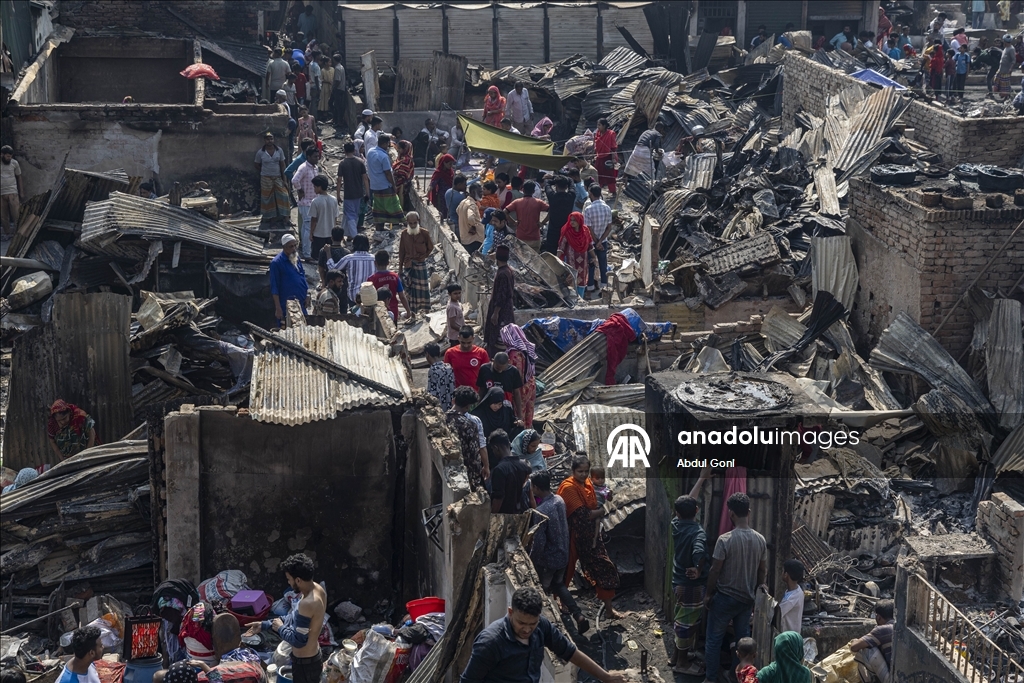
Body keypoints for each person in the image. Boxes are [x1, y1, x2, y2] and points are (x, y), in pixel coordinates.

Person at [460, 587, 625, 683]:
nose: (526, 630)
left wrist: (606, 676)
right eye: (521, 623)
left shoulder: (542, 627)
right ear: (510, 613)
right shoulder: (490, 643)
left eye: (532, 624)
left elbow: (569, 652)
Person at [702, 492, 768, 683]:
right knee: (743, 642)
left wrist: (708, 594)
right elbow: (762, 571)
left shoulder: (725, 540)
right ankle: (736, 676)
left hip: (724, 598)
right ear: (748, 512)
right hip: (746, 600)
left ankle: (711, 679)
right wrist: (757, 592)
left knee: (714, 639)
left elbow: (715, 570)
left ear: (730, 513)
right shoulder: (760, 540)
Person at [557, 456, 621, 618]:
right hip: (574, 536)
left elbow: (598, 502)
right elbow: (582, 514)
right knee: (566, 570)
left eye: (586, 471)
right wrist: (600, 512)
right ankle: (561, 601)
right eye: (580, 471)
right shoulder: (568, 488)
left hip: (592, 536)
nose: (583, 474)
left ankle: (609, 610)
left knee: (603, 566)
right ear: (572, 471)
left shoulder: (588, 485)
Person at [245, 554, 326, 683]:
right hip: (312, 657)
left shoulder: (308, 603)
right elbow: (294, 617)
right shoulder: (318, 589)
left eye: (289, 579)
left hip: (305, 665)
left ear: (298, 580)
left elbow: (299, 641)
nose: (288, 582)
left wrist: (279, 628)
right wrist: (265, 624)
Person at [528, 472, 588, 632]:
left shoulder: (540, 511)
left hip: (548, 560)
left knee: (541, 590)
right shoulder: (559, 500)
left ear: (535, 487)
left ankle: (547, 626)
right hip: (563, 553)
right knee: (559, 585)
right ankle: (578, 615)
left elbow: (539, 542)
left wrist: (531, 561)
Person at [670, 495, 708, 676]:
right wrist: (699, 569)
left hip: (678, 582)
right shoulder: (698, 532)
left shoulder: (675, 526)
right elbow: (699, 551)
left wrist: (701, 478)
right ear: (697, 511)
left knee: (681, 619)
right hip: (691, 586)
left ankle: (676, 656)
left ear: (677, 513)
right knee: (686, 624)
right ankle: (682, 664)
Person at [447, 385, 490, 488]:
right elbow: (474, 454)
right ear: (468, 406)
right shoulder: (469, 425)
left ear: (454, 401)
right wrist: (477, 478)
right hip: (464, 474)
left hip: (447, 468)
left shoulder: (442, 419)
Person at [499, 323, 537, 428]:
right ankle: (529, 435)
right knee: (529, 413)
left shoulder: (513, 354)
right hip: (531, 384)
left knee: (519, 414)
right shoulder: (526, 348)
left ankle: (521, 437)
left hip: (520, 389)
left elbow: (516, 375)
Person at [397, 211, 434, 316]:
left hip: (420, 264)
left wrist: (424, 256)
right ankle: (412, 313)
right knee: (410, 290)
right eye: (410, 223)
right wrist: (400, 268)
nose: (413, 225)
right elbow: (402, 252)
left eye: (414, 223)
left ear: (418, 221)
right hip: (408, 265)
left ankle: (426, 311)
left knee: (424, 289)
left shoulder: (424, 233)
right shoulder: (404, 234)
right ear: (407, 223)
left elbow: (430, 247)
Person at [848, 600, 894, 683]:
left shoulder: (881, 630)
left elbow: (854, 647)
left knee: (865, 648)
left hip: (893, 679)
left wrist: (855, 641)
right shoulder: (900, 627)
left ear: (878, 617)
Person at [486, 429, 530, 513]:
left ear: (496, 448)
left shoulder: (499, 470)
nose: (493, 452)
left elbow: (498, 498)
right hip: (520, 514)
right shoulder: (524, 465)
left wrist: (491, 516)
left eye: (493, 449)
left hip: (505, 517)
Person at [366, 134, 404, 230]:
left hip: (374, 185)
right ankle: (396, 225)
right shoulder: (383, 156)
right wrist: (394, 185)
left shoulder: (370, 152)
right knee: (393, 203)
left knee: (378, 207)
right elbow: (388, 173)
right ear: (385, 143)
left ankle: (379, 226)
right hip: (385, 185)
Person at [270, 234, 309, 326]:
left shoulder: (296, 257)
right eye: (291, 246)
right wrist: (278, 308)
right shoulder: (276, 263)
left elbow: (302, 275)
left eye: (295, 245)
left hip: (301, 303)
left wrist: (307, 294)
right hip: (286, 306)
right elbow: (274, 287)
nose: (294, 248)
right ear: (284, 247)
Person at [556, 211, 597, 297]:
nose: (572, 222)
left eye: (574, 220)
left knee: (581, 282)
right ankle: (572, 301)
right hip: (571, 263)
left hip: (583, 263)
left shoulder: (585, 231)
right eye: (571, 220)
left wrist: (594, 257)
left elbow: (590, 246)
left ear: (580, 221)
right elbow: (561, 247)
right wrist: (555, 260)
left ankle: (581, 299)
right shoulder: (567, 232)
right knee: (571, 280)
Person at [484, 246, 515, 354]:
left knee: (498, 335)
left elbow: (502, 295)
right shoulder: (508, 270)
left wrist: (496, 313)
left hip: (502, 311)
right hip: (506, 308)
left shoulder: (502, 274)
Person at [332, 234, 374, 311]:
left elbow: (333, 269)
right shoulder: (374, 259)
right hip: (370, 295)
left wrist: (328, 256)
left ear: (354, 244)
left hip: (353, 295)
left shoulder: (349, 258)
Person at [255, 132, 290, 225]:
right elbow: (257, 165)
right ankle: (271, 219)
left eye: (271, 139)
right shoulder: (260, 152)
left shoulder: (279, 151)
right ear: (264, 140)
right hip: (265, 178)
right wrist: (266, 171)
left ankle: (286, 218)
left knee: (284, 195)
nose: (269, 141)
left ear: (274, 140)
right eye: (267, 139)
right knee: (268, 198)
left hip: (278, 177)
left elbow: (283, 165)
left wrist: (285, 180)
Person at [292, 146, 320, 259]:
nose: (317, 158)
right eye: (315, 157)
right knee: (308, 227)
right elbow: (294, 180)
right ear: (308, 157)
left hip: (313, 201)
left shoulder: (315, 168)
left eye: (318, 156)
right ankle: (307, 254)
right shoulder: (303, 167)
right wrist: (299, 190)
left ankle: (305, 250)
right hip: (306, 202)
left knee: (306, 227)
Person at [476, 352, 523, 418]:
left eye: (503, 369)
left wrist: (520, 415)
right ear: (493, 361)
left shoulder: (513, 372)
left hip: (505, 409)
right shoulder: (484, 369)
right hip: (487, 409)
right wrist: (477, 408)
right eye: (497, 368)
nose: (500, 371)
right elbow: (481, 390)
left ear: (509, 362)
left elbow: (517, 393)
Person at [335, 142, 367, 240]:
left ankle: (354, 236)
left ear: (344, 151)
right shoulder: (360, 162)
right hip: (359, 193)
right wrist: (367, 193)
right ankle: (348, 235)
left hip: (348, 194)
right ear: (354, 150)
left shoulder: (343, 163)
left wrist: (338, 195)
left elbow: (339, 180)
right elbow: (365, 179)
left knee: (350, 215)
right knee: (353, 214)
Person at [368, 250, 410, 321]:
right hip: (393, 312)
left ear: (375, 263)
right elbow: (402, 296)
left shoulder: (371, 279)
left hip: (378, 313)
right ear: (388, 263)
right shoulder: (395, 277)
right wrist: (408, 311)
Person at [584, 186, 612, 291]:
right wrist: (600, 242)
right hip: (603, 241)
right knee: (603, 264)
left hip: (591, 243)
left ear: (591, 194)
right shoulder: (607, 208)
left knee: (591, 263)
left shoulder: (588, 209)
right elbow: (609, 228)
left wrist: (596, 242)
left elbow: (588, 229)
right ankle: (604, 286)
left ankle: (590, 286)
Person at [505, 181, 547, 252]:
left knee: (521, 260)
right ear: (533, 191)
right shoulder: (539, 202)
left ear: (523, 190)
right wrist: (542, 222)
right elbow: (551, 210)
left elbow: (505, 211)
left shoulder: (517, 202)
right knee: (535, 259)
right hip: (535, 237)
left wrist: (514, 222)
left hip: (520, 236)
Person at [308, 175, 338, 258]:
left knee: (318, 257)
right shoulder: (334, 199)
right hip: (330, 234)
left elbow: (314, 219)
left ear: (319, 187)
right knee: (329, 257)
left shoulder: (315, 201)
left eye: (315, 187)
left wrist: (311, 233)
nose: (314, 189)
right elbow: (335, 217)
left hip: (318, 234)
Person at [0, 145, 23, 237]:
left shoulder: (14, 163)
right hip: (1, 193)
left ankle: (18, 233)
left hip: (13, 192)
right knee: (3, 216)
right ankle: (7, 233)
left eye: (10, 156)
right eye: (7, 156)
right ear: (2, 155)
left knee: (16, 214)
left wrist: (21, 192)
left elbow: (19, 177)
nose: (9, 158)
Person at [779, 558, 806, 635]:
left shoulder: (791, 598)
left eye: (782, 571)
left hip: (788, 638)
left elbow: (777, 613)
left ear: (786, 575)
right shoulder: (798, 590)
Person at [425, 342, 455, 409]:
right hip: (451, 405)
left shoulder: (433, 370)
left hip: (440, 407)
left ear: (427, 354)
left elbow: (432, 391)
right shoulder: (448, 367)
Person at [458, 184, 485, 254]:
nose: (481, 194)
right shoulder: (472, 205)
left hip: (465, 238)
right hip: (474, 239)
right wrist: (473, 226)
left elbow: (457, 211)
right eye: (480, 192)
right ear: (473, 192)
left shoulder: (463, 202)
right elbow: (470, 218)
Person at [593, 119, 618, 194]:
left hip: (608, 157)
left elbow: (613, 147)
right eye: (597, 125)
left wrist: (613, 158)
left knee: (609, 175)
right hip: (599, 157)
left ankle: (613, 191)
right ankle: (597, 192)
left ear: (604, 126)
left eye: (599, 125)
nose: (598, 127)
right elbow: (596, 145)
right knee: (598, 174)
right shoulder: (598, 133)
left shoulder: (611, 133)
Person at [392, 141, 415, 209]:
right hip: (397, 180)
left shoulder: (407, 159)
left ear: (405, 149)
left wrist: (395, 171)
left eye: (399, 148)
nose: (398, 150)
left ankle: (400, 211)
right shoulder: (400, 157)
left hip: (402, 181)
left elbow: (403, 171)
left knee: (401, 195)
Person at [995, 34, 1016, 100]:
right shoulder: (1006, 48)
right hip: (1001, 68)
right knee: (997, 81)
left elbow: (1013, 60)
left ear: (1005, 41)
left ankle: (1007, 96)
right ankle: (1005, 95)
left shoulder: (1011, 49)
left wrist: (1010, 68)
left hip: (1006, 70)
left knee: (1005, 84)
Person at [329, 55, 346, 126]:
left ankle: (338, 121)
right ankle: (335, 119)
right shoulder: (341, 67)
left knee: (336, 105)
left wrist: (334, 88)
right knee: (336, 105)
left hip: (338, 89)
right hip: (341, 89)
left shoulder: (337, 68)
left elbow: (337, 80)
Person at [317, 55, 333, 121]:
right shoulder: (322, 70)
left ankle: (330, 113)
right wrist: (327, 81)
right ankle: (325, 115)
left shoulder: (332, 69)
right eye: (329, 62)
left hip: (331, 87)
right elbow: (321, 79)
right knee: (325, 100)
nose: (330, 64)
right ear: (326, 63)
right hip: (325, 87)